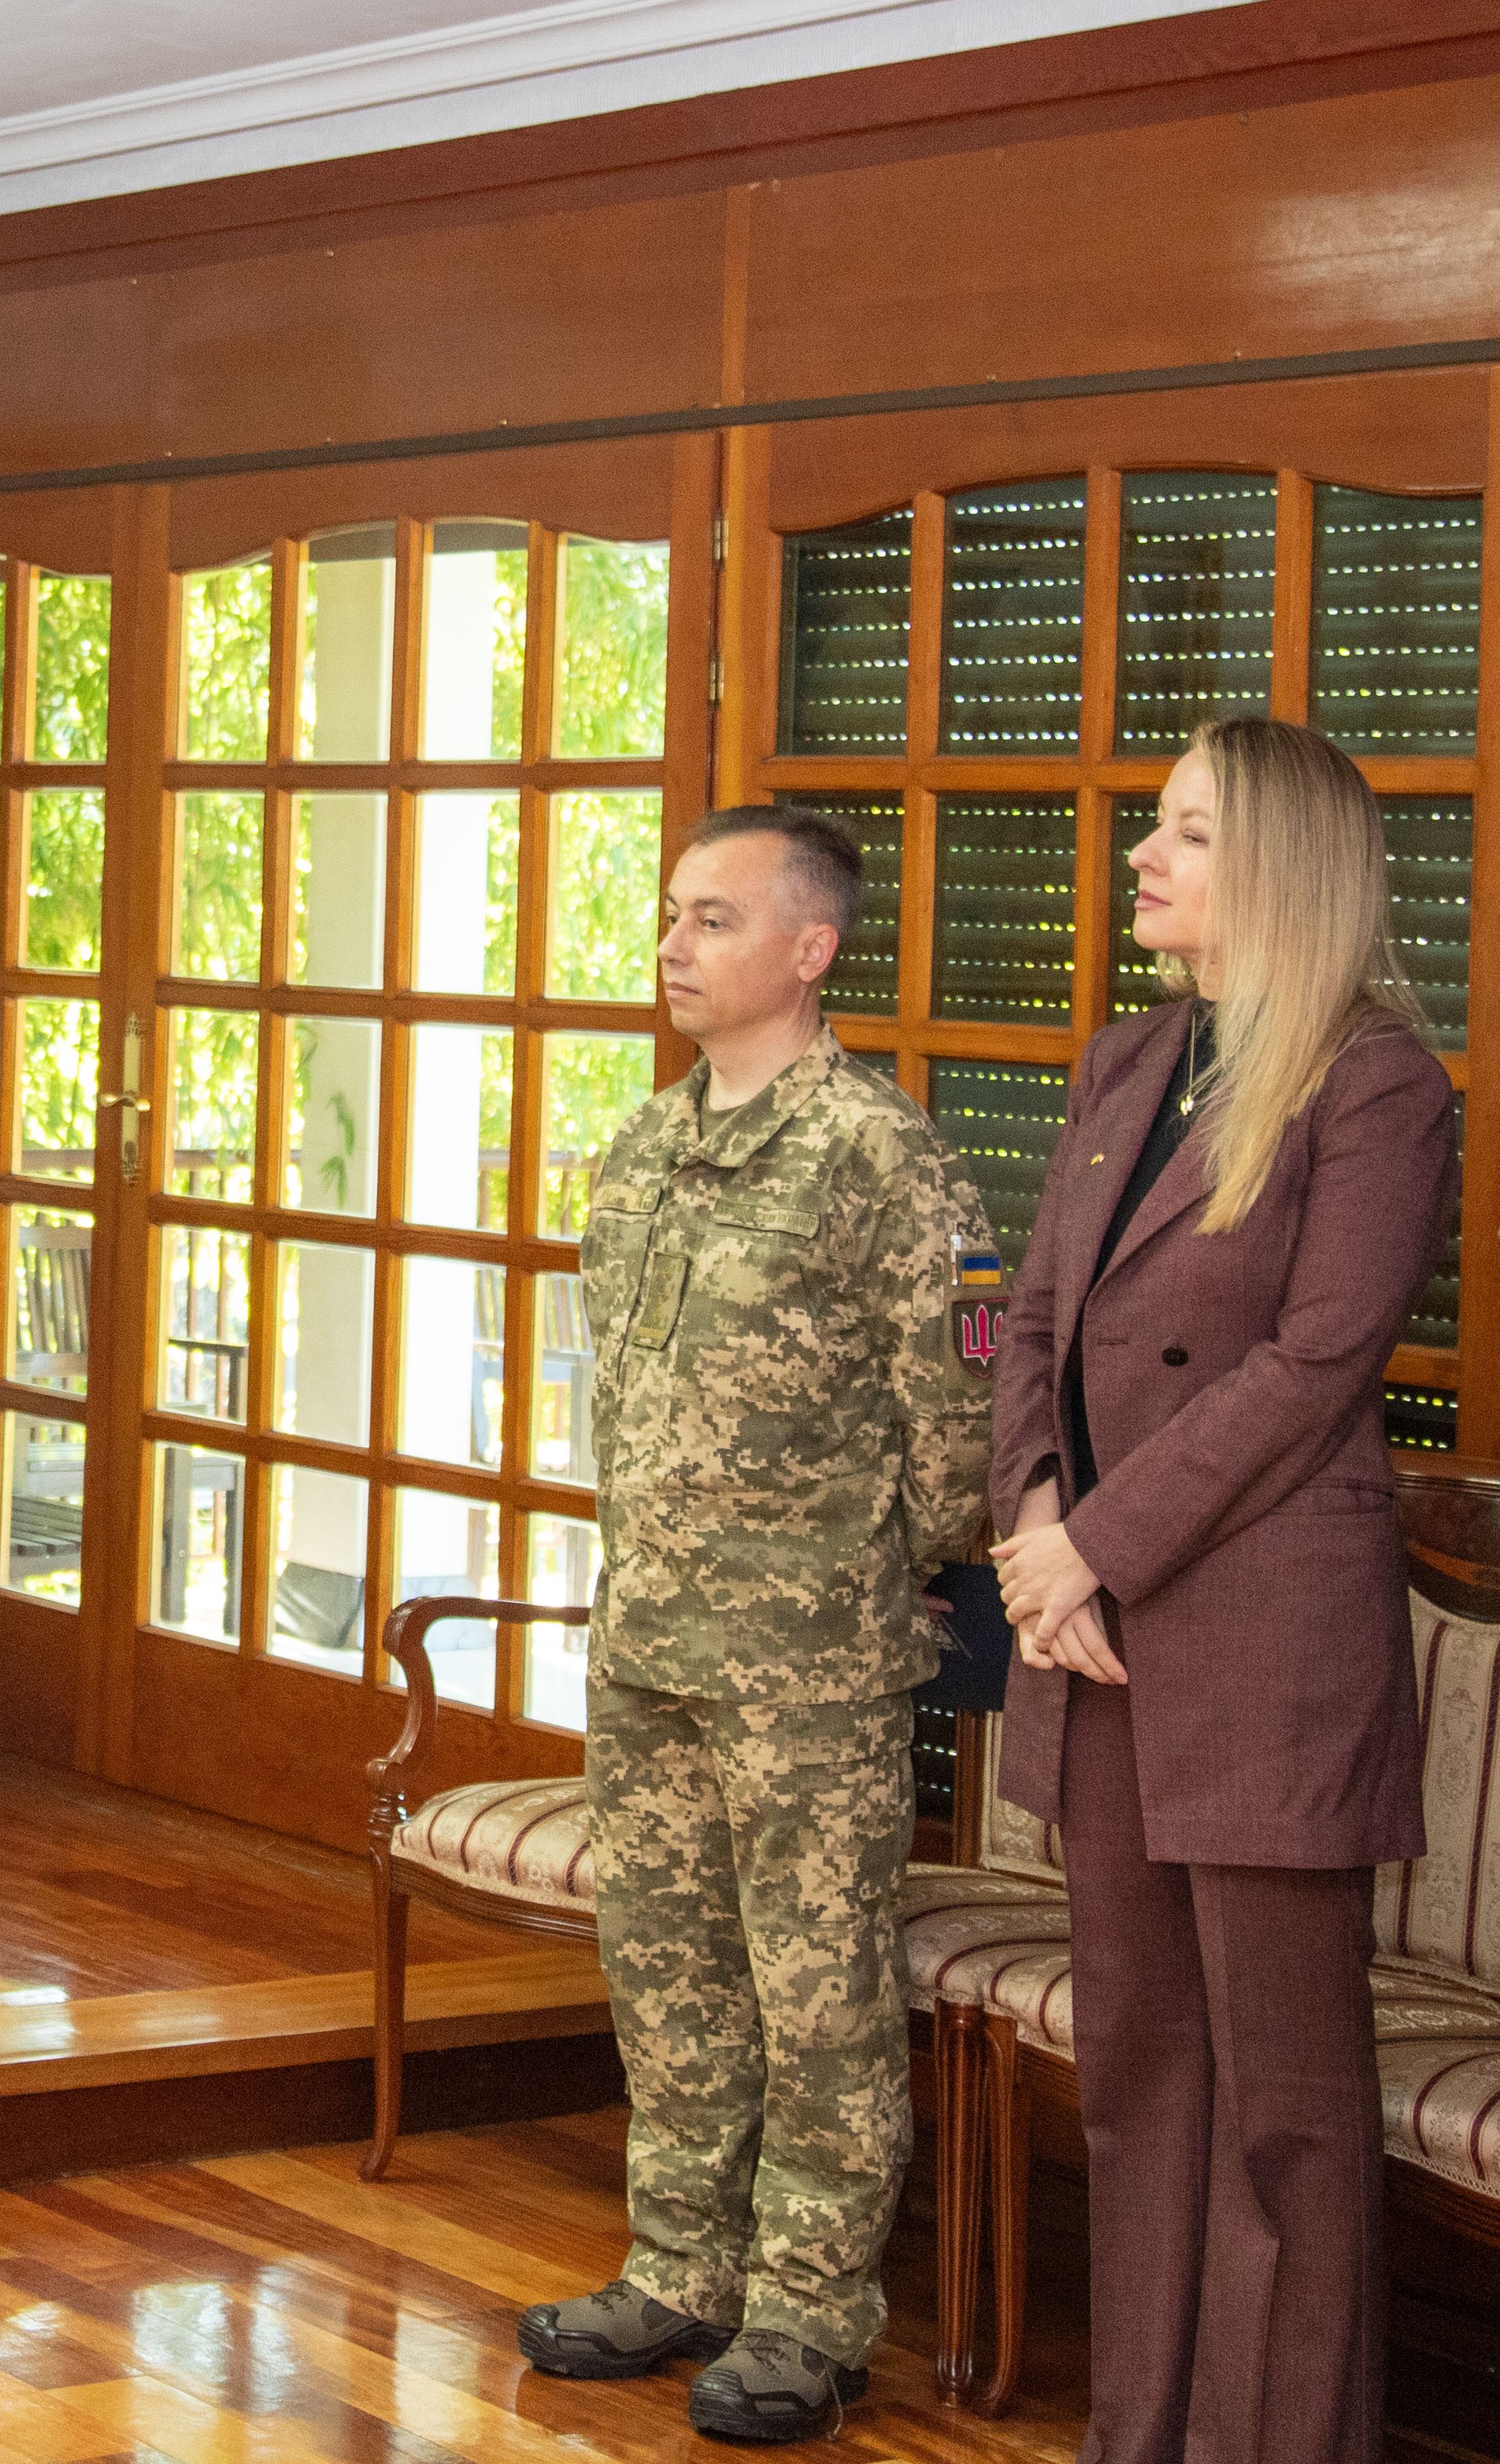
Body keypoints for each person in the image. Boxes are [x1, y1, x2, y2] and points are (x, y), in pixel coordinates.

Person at [983, 716, 1456, 2464]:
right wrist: (1035, 1524)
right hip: (1093, 1631)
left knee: (1285, 2111)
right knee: (1137, 2083)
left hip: (1255, 1641)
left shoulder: (1377, 1079)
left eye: (1182, 830)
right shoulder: (1129, 1058)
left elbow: (1318, 1360)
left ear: (1278, 863)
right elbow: (1032, 1316)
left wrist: (1089, 1544)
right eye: (1151, 827)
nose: (1143, 858)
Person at [518, 805, 997, 2447]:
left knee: (819, 1993)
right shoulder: (644, 1145)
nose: (671, 943)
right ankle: (678, 2265)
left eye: (712, 918)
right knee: (665, 1972)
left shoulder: (885, 1155)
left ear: (809, 947)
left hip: (811, 1658)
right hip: (648, 1633)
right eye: (668, 914)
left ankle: (806, 2310)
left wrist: (919, 1562)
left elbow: (958, 1422)